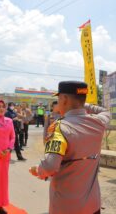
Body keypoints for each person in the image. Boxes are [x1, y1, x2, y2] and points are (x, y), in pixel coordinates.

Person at [29, 81, 110, 214]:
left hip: (66, 207)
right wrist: (82, 104)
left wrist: (38, 170)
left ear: (64, 99)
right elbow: (105, 111)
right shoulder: (98, 122)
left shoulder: (59, 128)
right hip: (92, 205)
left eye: (58, 98)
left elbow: (50, 166)